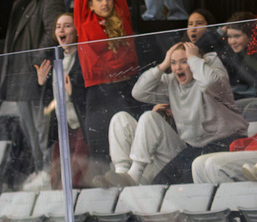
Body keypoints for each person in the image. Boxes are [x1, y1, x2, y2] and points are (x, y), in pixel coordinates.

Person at [102, 41, 248, 187]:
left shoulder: (211, 72)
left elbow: (210, 83)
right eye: (174, 63)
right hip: (192, 148)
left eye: (184, 61)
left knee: (164, 183)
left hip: (226, 143)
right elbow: (138, 92)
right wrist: (163, 65)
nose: (177, 67)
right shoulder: (172, 82)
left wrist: (194, 58)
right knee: (123, 118)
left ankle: (135, 179)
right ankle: (125, 175)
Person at [0, 0, 64, 183]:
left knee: (43, 129)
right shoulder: (18, 4)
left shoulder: (47, 2)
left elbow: (54, 31)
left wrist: (34, 61)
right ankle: (40, 170)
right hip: (20, 77)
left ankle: (49, 174)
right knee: (31, 131)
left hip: (37, 75)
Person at [74, 0, 140, 168]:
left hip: (125, 87)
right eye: (98, 0)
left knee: (131, 142)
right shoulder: (83, 21)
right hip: (99, 91)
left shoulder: (121, 16)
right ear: (89, 5)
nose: (105, 3)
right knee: (100, 147)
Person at [37, 12, 89, 188]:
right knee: (57, 177)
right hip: (63, 126)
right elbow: (48, 104)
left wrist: (74, 92)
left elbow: (89, 96)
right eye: (59, 26)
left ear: (76, 31)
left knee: (76, 176)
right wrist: (42, 83)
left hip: (81, 124)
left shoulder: (84, 57)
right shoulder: (55, 60)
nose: (61, 29)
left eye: (67, 25)